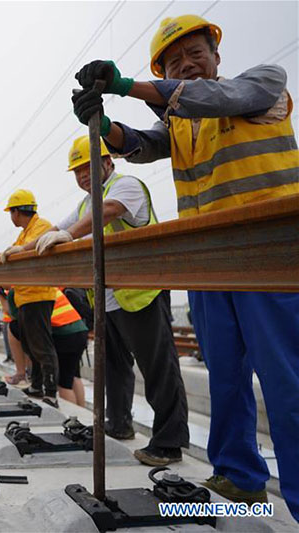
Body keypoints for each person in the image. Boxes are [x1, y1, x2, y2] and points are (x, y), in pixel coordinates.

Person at [72, 14, 299, 514]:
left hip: (269, 255)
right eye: (175, 61)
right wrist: (103, 123)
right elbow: (142, 144)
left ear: (216, 56)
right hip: (210, 263)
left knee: (285, 380)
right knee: (226, 375)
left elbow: (219, 99)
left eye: (195, 54)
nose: (188, 65)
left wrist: (130, 85)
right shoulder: (179, 121)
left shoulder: (263, 85)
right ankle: (240, 476)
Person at [37, 135, 189, 466]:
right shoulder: (83, 205)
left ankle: (169, 442)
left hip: (141, 292)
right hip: (108, 300)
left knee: (158, 368)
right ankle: (118, 424)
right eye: (77, 170)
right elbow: (57, 228)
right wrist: (19, 249)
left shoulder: (126, 186)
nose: (82, 175)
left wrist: (69, 235)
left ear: (108, 162)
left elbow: (108, 212)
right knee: (114, 368)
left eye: (88, 166)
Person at [0, 190, 59, 408]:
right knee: (30, 345)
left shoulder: (41, 226)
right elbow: (12, 252)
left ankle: (50, 392)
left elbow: (23, 251)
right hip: (25, 297)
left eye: (11, 212)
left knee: (42, 345)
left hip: (38, 295)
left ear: (17, 212)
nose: (11, 217)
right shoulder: (25, 233)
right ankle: (37, 385)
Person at [50, 289, 88, 407]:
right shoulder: (54, 290)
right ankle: (83, 413)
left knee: (64, 383)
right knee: (74, 375)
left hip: (64, 335)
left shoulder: (34, 292)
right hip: (79, 331)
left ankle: (75, 419)